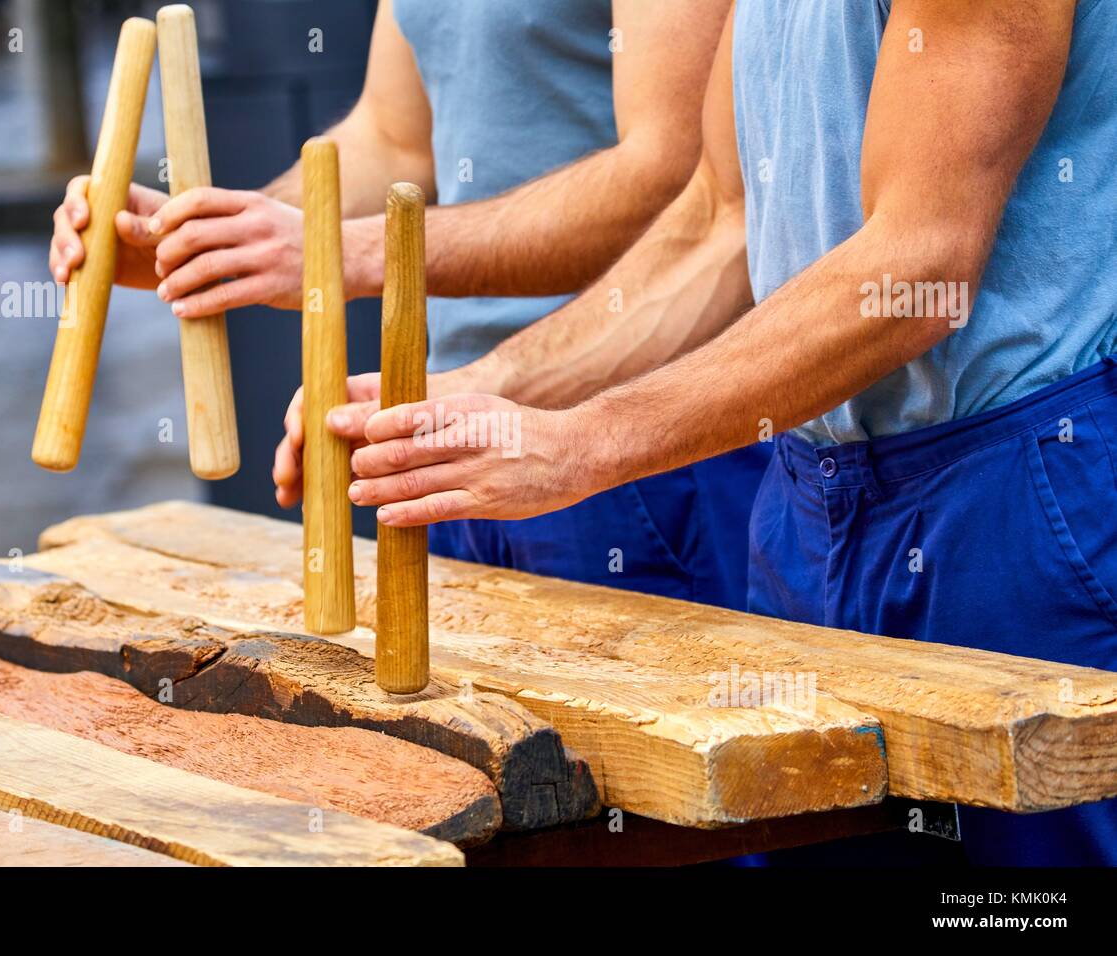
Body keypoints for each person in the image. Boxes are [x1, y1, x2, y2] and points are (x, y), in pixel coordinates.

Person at [343, 0, 1117, 865]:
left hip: (1009, 495)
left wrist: (583, 443)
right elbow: (718, 226)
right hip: (810, 498)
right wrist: (465, 397)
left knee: (1017, 906)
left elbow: (920, 259)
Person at [50, 0, 768, 610]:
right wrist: (212, 236)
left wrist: (346, 251)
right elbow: (392, 142)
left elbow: (674, 177)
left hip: (631, 447)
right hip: (450, 428)